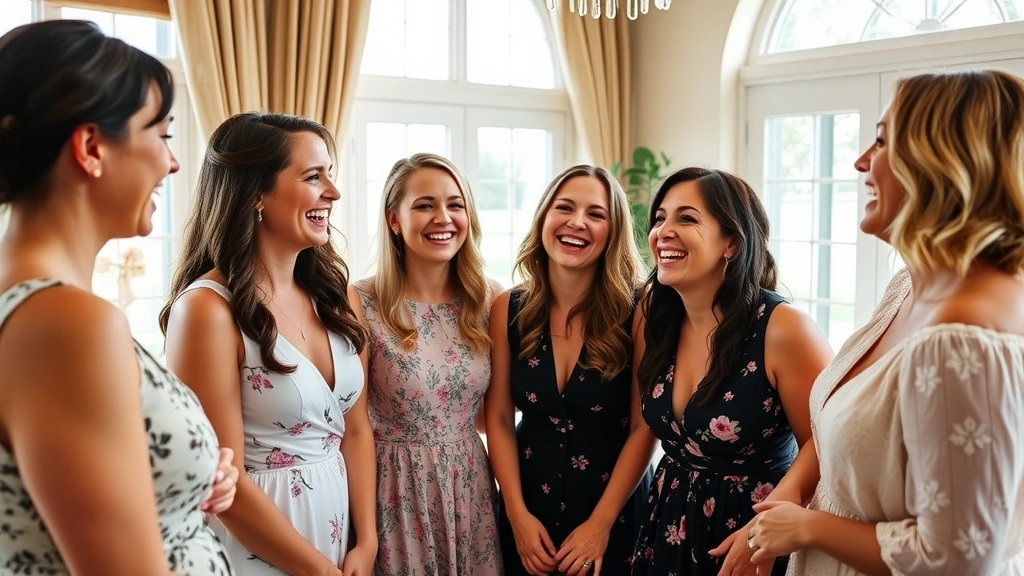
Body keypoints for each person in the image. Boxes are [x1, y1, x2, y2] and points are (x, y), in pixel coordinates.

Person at [746, 70, 1024, 575]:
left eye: (879, 141)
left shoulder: (963, 340)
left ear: (940, 158)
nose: (859, 161)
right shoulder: (907, 286)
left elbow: (959, 559)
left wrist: (807, 527)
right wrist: (792, 495)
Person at [0, 20, 236, 575]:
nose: (172, 163)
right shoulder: (66, 323)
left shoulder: (39, 308)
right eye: (163, 135)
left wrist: (190, 473)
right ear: (90, 148)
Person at [161, 112, 377, 576]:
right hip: (254, 550)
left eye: (331, 175)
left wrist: (368, 541)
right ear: (256, 192)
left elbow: (355, 430)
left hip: (340, 544)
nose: (333, 193)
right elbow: (221, 478)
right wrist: (317, 570)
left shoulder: (337, 297)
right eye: (313, 176)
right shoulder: (206, 311)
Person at [629, 167, 833, 576]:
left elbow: (827, 440)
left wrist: (763, 529)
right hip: (668, 520)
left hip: (752, 534)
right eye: (660, 218)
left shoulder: (783, 327)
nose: (663, 231)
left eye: (686, 218)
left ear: (732, 243)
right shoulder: (652, 314)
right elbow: (643, 428)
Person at [486, 164, 655, 576]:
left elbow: (644, 427)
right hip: (528, 506)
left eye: (596, 214)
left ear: (613, 231)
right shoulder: (508, 307)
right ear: (544, 218)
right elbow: (499, 419)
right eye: (564, 207)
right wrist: (516, 515)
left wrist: (600, 525)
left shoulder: (640, 310)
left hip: (613, 508)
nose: (577, 223)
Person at [352, 153, 503, 575]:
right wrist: (366, 537)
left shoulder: (489, 299)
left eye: (455, 205)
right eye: (425, 205)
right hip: (393, 490)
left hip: (470, 487)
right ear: (394, 220)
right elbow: (355, 426)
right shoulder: (361, 301)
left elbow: (497, 419)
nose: (444, 217)